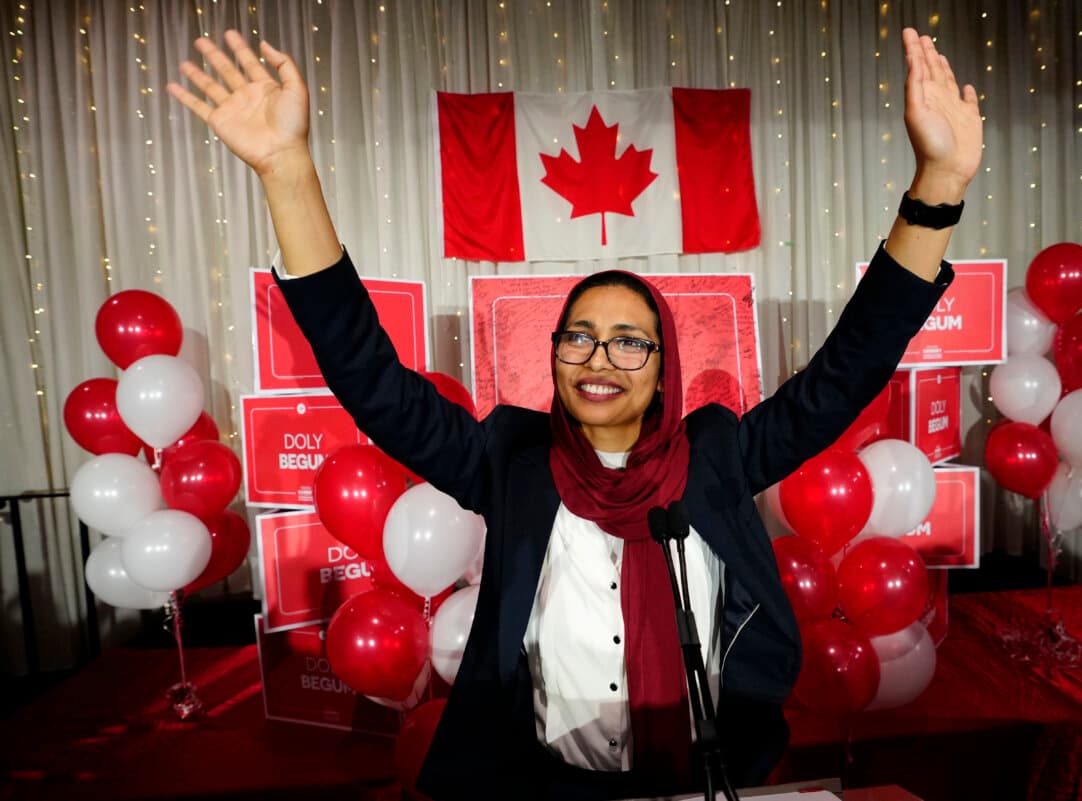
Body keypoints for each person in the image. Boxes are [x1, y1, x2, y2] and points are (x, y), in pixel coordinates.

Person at [168, 24, 980, 801]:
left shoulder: (718, 458)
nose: (599, 358)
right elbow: (368, 376)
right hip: (546, 790)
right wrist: (287, 170)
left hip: (708, 779)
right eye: (580, 337)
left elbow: (847, 370)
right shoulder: (509, 464)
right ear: (553, 357)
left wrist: (939, 185)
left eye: (630, 341)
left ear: (664, 367)